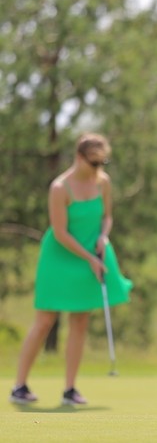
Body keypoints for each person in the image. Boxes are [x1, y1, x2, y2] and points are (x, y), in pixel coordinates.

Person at [9, 133, 132, 406]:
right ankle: (19, 386)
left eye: (102, 163)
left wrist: (104, 236)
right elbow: (61, 232)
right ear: (79, 157)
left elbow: (107, 216)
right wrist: (88, 257)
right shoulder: (59, 188)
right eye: (93, 162)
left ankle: (70, 389)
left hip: (92, 252)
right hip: (60, 257)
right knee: (44, 320)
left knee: (80, 320)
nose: (98, 168)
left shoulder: (103, 182)